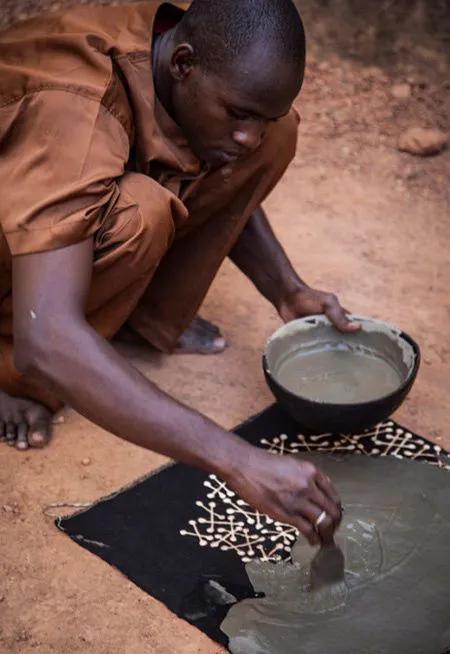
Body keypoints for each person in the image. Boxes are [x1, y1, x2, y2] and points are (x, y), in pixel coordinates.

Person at [0, 0, 358, 544]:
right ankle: (12, 373)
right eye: (238, 114)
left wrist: (287, 292)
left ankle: (131, 311)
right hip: (29, 216)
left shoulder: (187, 51)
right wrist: (238, 460)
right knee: (137, 216)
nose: (248, 136)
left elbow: (236, 145)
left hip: (55, 179)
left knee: (273, 136)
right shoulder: (76, 109)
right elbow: (44, 335)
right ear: (183, 64)